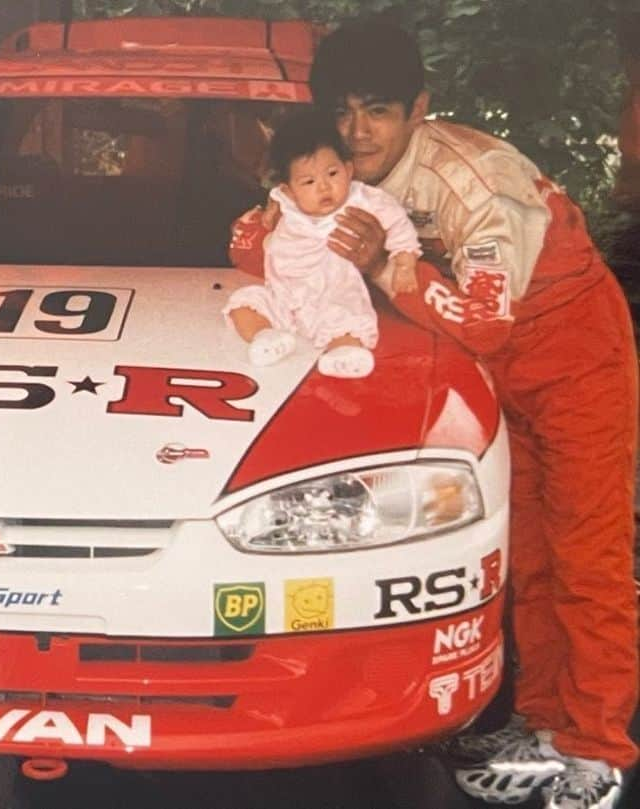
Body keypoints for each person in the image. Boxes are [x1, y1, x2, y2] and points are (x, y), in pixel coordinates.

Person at [229, 19, 638, 809]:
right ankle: (545, 722)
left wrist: (381, 264)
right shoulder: (335, 170)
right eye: (342, 110)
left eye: (378, 110)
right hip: (494, 368)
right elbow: (257, 248)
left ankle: (598, 748)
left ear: (419, 106)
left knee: (589, 553)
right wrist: (285, 218)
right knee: (531, 555)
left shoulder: (471, 177)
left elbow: (487, 320)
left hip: (572, 346)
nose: (358, 131)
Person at [224, 108, 420, 377]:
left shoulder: (362, 200)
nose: (324, 188)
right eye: (309, 181)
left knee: (348, 320)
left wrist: (405, 260)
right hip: (284, 292)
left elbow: (397, 222)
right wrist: (270, 211)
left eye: (332, 174)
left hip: (333, 291)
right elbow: (273, 199)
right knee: (243, 304)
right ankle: (266, 337)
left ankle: (344, 353)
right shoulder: (286, 201)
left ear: (348, 170)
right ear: (290, 189)